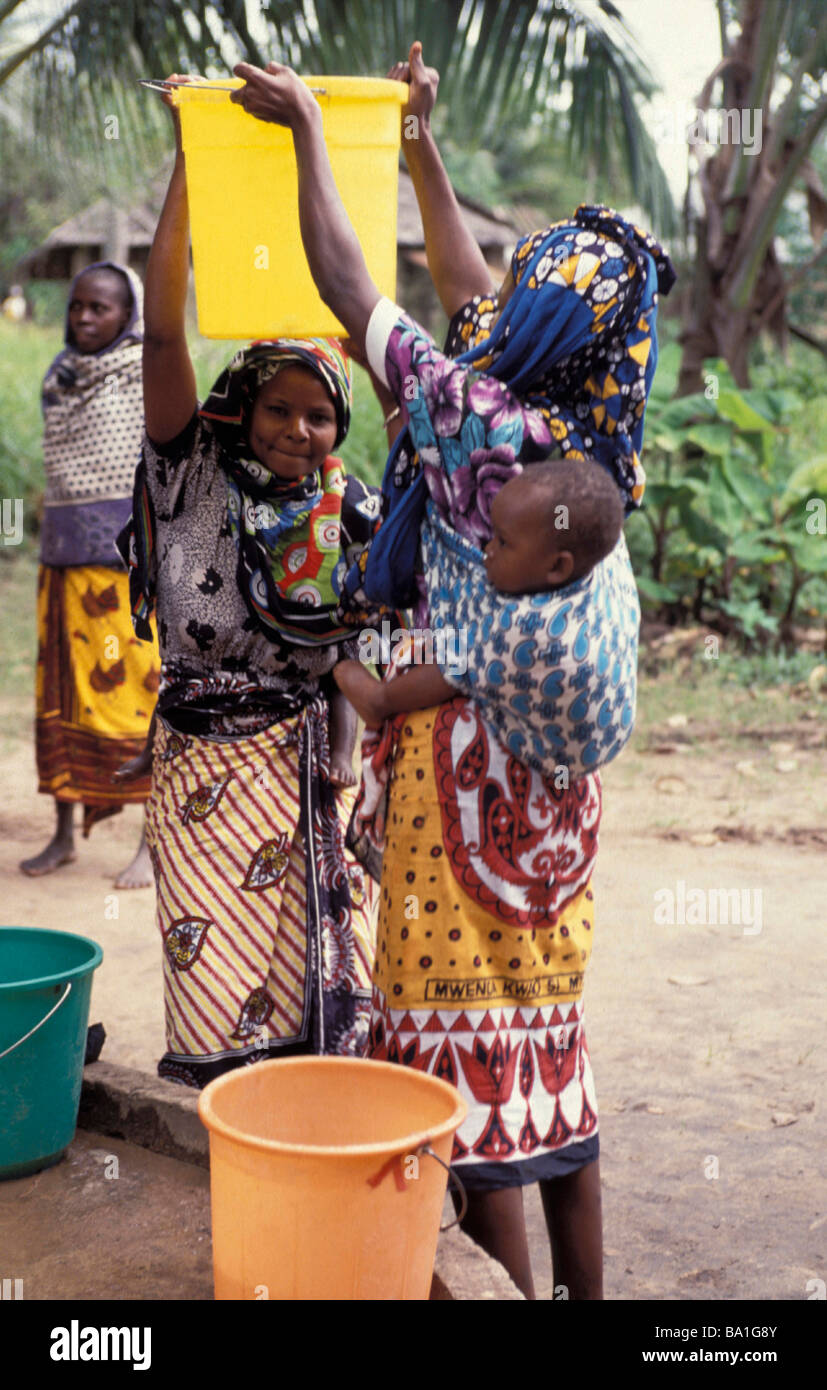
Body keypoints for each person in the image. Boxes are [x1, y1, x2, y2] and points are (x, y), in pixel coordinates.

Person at [230, 41, 675, 1298]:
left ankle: (491, 1294)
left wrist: (314, 128)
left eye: (532, 279)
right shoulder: (595, 443)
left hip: (457, 778)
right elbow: (480, 307)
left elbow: (342, 280)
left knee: (445, 1066)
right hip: (558, 808)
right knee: (546, 1049)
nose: (505, 288)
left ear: (540, 326)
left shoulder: (479, 438)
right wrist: (422, 148)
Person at [116, 80, 379, 1087]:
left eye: (320, 416)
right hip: (201, 777)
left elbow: (352, 649)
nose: (299, 432)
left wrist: (346, 774)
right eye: (280, 407)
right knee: (215, 999)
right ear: (241, 405)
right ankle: (226, 1164)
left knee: (321, 1000)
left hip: (306, 768)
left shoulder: (346, 507)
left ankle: (301, 1173)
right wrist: (195, 152)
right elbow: (163, 329)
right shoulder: (188, 474)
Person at [20, 261, 157, 889]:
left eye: (99, 307)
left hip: (122, 569)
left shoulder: (144, 372)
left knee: (132, 696)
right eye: (76, 306)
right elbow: (51, 475)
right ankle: (63, 831)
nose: (83, 318)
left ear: (127, 312)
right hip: (61, 560)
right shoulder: (59, 377)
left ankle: (151, 841)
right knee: (61, 695)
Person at [335, 456, 624, 729]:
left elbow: (455, 665)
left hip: (553, 747)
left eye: (503, 542)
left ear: (558, 566)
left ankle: (380, 701)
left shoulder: (528, 629)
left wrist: (382, 697)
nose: (487, 549)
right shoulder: (597, 571)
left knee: (462, 658)